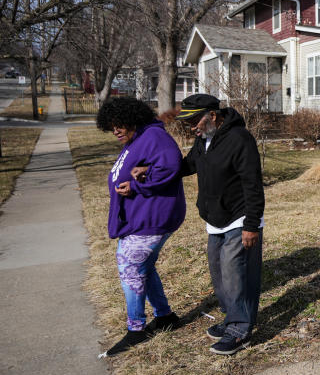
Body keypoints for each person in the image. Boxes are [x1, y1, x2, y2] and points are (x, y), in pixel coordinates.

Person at [170, 93, 264, 355]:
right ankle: (231, 317)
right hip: (215, 220)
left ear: (212, 116)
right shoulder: (204, 140)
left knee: (237, 274)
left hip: (240, 217)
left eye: (194, 121)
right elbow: (188, 166)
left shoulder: (240, 139)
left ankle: (240, 329)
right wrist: (153, 168)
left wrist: (251, 225)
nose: (191, 128)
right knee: (219, 272)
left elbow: (252, 184)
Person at [96, 97, 185, 356]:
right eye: (111, 127)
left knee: (129, 266)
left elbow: (170, 166)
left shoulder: (154, 137)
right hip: (143, 217)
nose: (116, 131)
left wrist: (136, 185)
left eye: (120, 124)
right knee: (143, 267)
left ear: (133, 118)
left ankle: (136, 329)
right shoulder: (140, 137)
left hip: (153, 219)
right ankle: (165, 316)